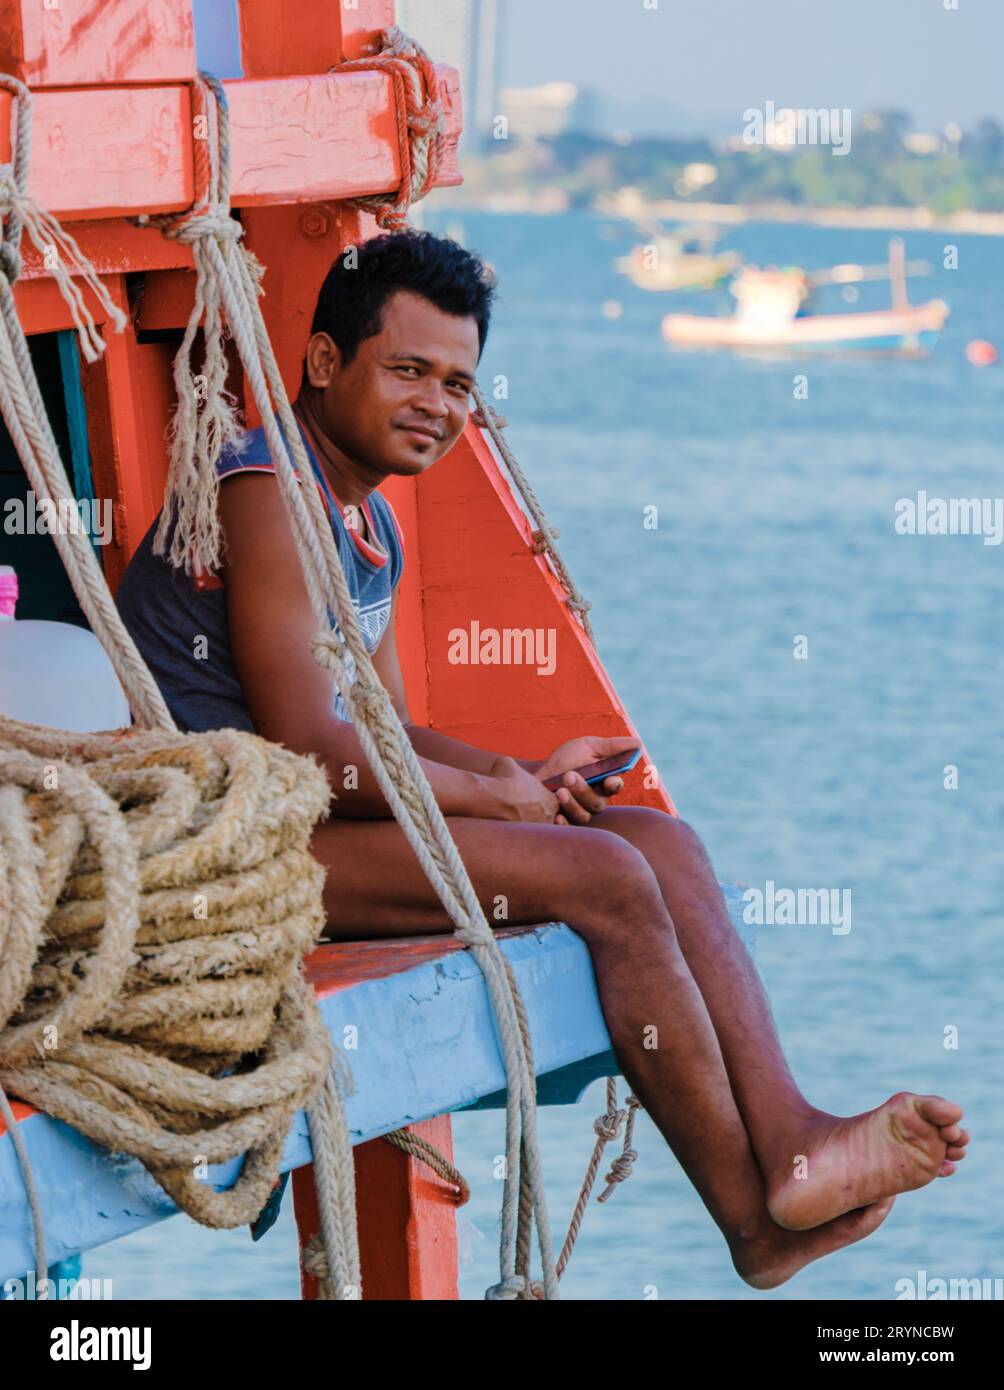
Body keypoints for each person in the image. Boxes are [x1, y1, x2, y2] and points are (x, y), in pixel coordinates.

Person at [115, 230, 969, 1290]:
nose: (438, 402)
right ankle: (753, 1223)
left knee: (654, 837)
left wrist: (525, 777)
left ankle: (792, 1134)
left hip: (316, 821)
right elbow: (307, 748)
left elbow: (379, 723)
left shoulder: (365, 514)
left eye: (461, 382)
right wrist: (495, 798)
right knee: (606, 878)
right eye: (409, 371)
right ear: (326, 364)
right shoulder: (268, 489)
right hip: (238, 852)